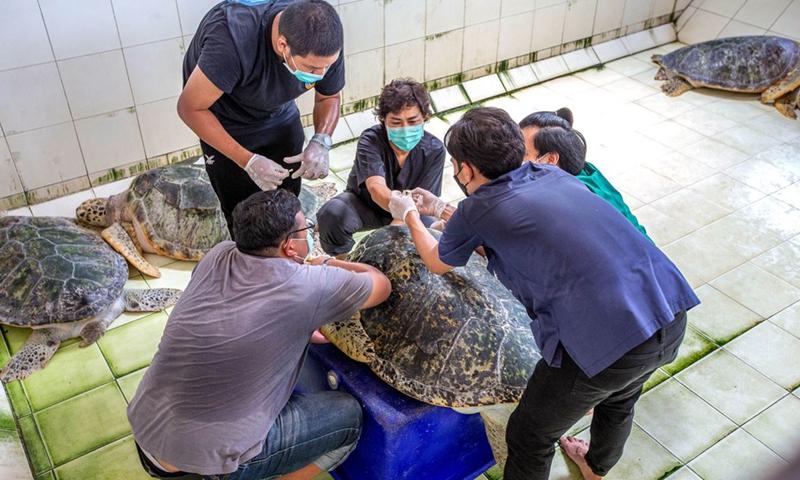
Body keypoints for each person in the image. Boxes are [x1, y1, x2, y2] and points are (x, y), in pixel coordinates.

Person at [388, 107, 699, 480]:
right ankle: (596, 467)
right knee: (619, 398)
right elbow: (516, 229)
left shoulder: (477, 208)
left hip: (608, 346)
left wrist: (408, 213)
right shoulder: (550, 172)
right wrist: (441, 208)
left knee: (529, 434)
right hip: (668, 310)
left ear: (465, 170)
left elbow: (438, 262)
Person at [127, 189, 391, 480]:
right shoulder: (308, 285)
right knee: (348, 416)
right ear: (290, 246)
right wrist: (325, 263)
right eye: (306, 229)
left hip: (146, 428)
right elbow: (381, 285)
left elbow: (233, 312)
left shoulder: (219, 254)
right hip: (210, 462)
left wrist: (297, 330)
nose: (310, 235)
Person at [178, 0, 345, 236]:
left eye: (326, 67)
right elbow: (190, 108)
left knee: (287, 204)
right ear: (282, 44)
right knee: (244, 217)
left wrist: (321, 141)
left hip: (278, 111)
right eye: (312, 69)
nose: (321, 75)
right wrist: (248, 160)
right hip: (225, 121)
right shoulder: (230, 42)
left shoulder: (323, 37)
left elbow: (329, 97)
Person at [317, 78, 446, 257]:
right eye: (396, 122)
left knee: (432, 237)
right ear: (383, 120)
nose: (405, 128)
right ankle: (342, 263)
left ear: (424, 117)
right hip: (366, 205)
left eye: (413, 121)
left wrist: (395, 231)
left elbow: (422, 199)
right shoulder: (371, 140)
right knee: (332, 214)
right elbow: (377, 189)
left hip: (413, 209)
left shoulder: (435, 149)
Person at [519, 108, 650, 240]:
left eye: (524, 154)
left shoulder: (571, 198)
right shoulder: (586, 170)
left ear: (551, 159)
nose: (518, 158)